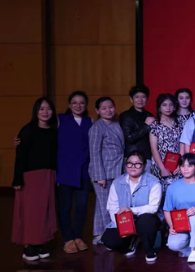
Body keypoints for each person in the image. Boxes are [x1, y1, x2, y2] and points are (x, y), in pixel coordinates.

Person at [13, 97, 58, 261]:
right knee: (30, 212)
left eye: (48, 109)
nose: (45, 112)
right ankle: (29, 246)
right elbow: (20, 156)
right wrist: (17, 179)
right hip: (30, 177)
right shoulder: (27, 131)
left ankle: (40, 243)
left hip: (48, 175)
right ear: (36, 111)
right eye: (41, 109)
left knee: (44, 211)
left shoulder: (54, 131)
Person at [101, 151, 162, 263]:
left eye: (137, 164)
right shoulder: (117, 182)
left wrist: (131, 210)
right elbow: (112, 207)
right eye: (130, 163)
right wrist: (122, 225)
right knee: (109, 241)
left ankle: (148, 249)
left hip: (145, 219)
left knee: (147, 221)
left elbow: (153, 207)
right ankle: (130, 242)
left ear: (144, 165)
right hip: (124, 220)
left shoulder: (154, 182)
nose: (133, 166)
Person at [56, 91, 93, 253]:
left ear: (86, 105)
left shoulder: (90, 121)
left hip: (83, 171)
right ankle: (68, 238)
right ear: (69, 104)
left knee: (81, 206)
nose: (78, 105)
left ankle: (78, 236)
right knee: (64, 207)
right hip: (64, 170)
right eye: (74, 102)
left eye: (82, 102)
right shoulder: (60, 119)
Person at [163, 153, 195, 263]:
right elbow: (167, 209)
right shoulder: (173, 187)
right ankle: (191, 249)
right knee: (173, 244)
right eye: (182, 166)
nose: (185, 169)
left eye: (189, 165)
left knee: (194, 217)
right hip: (182, 224)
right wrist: (171, 226)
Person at [88, 96, 125, 246]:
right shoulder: (96, 128)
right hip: (103, 171)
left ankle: (99, 234)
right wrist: (99, 176)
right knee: (106, 205)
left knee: (102, 203)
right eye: (104, 108)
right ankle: (108, 235)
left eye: (110, 107)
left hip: (117, 168)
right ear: (97, 111)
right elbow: (94, 153)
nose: (108, 110)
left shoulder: (116, 124)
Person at [148, 93, 184, 195]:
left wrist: (180, 164)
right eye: (164, 105)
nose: (168, 108)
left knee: (177, 194)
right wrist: (162, 168)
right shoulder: (155, 125)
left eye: (170, 105)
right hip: (161, 164)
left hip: (177, 164)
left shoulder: (179, 123)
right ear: (159, 107)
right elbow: (154, 149)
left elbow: (182, 144)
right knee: (161, 195)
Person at [119, 85, 155, 161]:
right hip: (132, 157)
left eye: (143, 97)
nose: (140, 100)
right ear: (131, 99)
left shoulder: (149, 115)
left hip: (147, 156)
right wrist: (146, 126)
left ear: (147, 99)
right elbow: (129, 138)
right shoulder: (126, 115)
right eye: (137, 97)